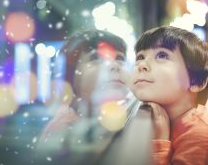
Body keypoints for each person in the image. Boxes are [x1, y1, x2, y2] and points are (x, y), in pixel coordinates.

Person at [130, 26, 208, 165]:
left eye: (162, 55)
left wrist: (160, 145)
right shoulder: (173, 121)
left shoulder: (199, 136)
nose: (142, 64)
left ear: (196, 81)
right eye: (140, 57)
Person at [36, 29, 137, 163]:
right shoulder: (62, 130)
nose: (114, 65)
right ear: (72, 77)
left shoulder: (131, 112)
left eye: (119, 58)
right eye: (96, 58)